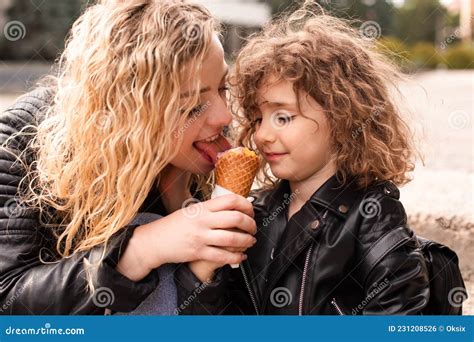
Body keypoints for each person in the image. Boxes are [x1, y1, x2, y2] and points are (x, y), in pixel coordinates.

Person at [0, 0, 256, 315]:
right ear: (130, 112)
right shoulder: (24, 136)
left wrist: (201, 266)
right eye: (191, 106)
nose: (224, 115)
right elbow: (8, 300)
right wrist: (140, 250)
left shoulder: (203, 168)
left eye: (222, 88)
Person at [175, 5, 431, 315]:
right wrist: (204, 271)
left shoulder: (371, 215)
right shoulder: (254, 214)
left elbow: (400, 310)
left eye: (283, 117)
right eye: (258, 119)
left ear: (342, 118)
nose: (263, 135)